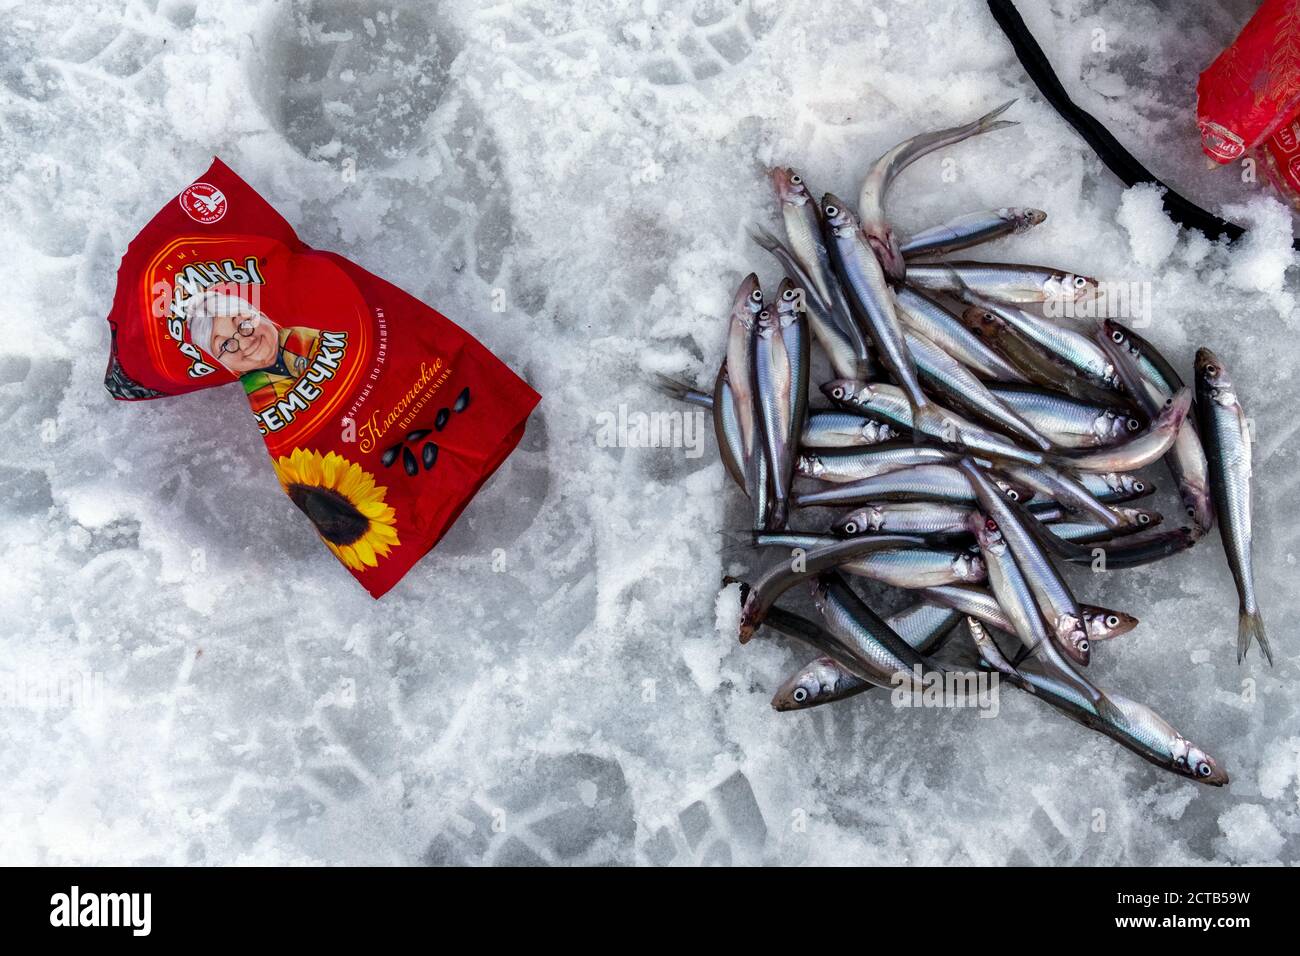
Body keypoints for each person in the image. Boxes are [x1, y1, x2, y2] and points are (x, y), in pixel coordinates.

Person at [185, 291, 323, 413]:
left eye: (243, 324)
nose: (245, 343)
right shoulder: (253, 394)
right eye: (225, 344)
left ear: (261, 315)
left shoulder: (303, 337)